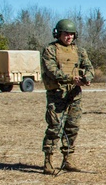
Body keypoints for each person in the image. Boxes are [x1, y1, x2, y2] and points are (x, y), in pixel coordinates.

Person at [40, 19, 94, 174]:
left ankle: (68, 159)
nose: (68, 37)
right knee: (54, 128)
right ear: (58, 34)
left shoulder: (79, 51)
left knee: (72, 127)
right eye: (65, 33)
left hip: (74, 95)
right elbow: (51, 71)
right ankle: (48, 161)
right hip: (57, 94)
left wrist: (87, 78)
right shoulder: (50, 50)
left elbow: (89, 67)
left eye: (71, 34)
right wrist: (71, 79)